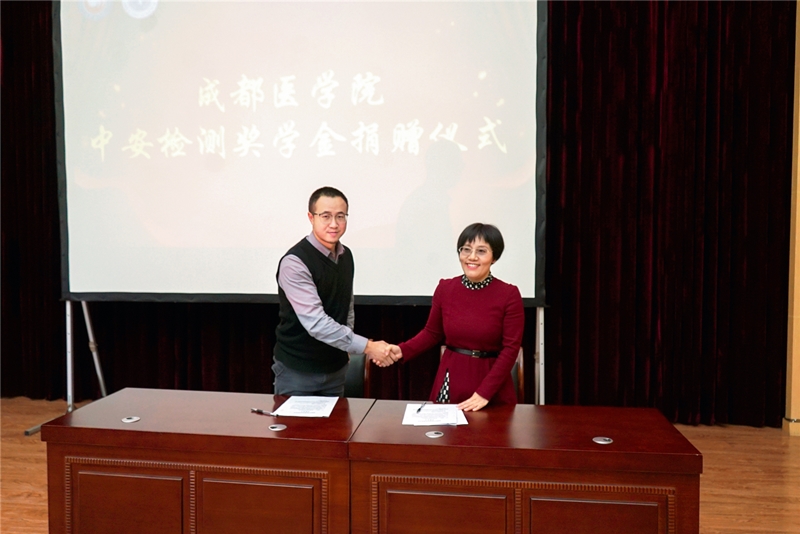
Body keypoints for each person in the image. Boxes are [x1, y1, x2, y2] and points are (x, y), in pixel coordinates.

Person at [388, 223, 524, 411]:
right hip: (451, 380)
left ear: (494, 257)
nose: (472, 257)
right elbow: (432, 333)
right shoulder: (445, 288)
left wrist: (485, 392)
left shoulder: (509, 294)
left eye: (481, 251)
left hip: (492, 387)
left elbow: (510, 349)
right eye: (466, 249)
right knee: (445, 429)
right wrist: (401, 350)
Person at [273, 186, 393, 397]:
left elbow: (347, 306)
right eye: (326, 216)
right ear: (311, 217)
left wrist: (346, 348)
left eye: (340, 216)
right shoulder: (295, 262)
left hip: (336, 370)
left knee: (337, 420)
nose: (334, 224)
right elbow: (316, 323)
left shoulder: (346, 255)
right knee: (294, 421)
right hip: (298, 371)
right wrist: (367, 347)